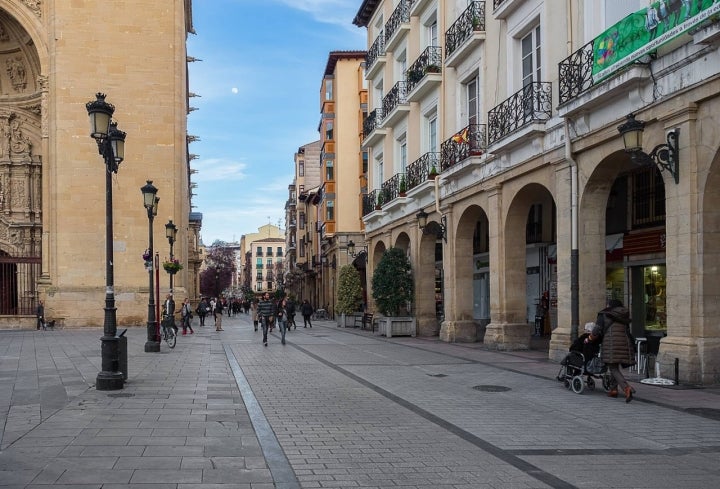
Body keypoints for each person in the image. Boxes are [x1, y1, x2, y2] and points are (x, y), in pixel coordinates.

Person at [589, 299, 636, 402]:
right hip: (624, 343)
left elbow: (597, 329)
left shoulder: (604, 314)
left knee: (613, 367)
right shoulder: (624, 315)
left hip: (611, 343)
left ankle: (626, 388)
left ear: (609, 305)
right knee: (615, 367)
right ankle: (613, 390)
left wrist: (590, 338)